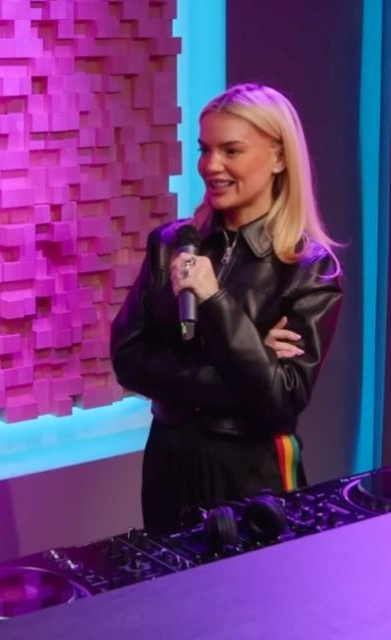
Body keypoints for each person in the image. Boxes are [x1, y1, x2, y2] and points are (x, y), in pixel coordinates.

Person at [110, 83, 343, 533]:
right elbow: (128, 361)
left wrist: (215, 301)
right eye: (205, 150)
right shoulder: (169, 244)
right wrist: (251, 352)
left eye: (231, 150)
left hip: (251, 470)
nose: (210, 166)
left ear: (278, 158)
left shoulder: (309, 268)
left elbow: (279, 400)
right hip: (168, 459)